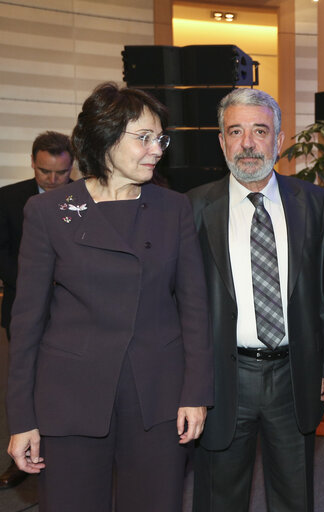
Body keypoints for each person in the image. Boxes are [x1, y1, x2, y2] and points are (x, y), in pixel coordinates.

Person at [5, 82, 213, 511]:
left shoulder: (173, 209)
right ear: (104, 138)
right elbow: (27, 323)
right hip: (71, 398)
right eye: (144, 138)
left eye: (161, 138)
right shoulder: (49, 212)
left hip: (157, 396)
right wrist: (22, 419)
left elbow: (194, 309)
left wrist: (196, 391)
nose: (157, 149)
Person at [187, 88, 324, 512]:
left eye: (260, 130)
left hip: (294, 375)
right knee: (220, 497)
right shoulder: (192, 208)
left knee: (295, 496)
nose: (248, 143)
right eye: (236, 131)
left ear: (279, 138)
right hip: (223, 377)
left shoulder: (315, 203)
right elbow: (183, 305)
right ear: (221, 141)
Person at [0, 131, 73, 489]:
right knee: (24, 384)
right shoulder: (9, 198)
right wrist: (36, 281)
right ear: (33, 163)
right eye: (46, 172)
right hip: (24, 310)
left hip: (72, 315)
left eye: (62, 173)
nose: (54, 180)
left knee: (66, 388)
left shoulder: (86, 199)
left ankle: (66, 453)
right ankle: (21, 455)